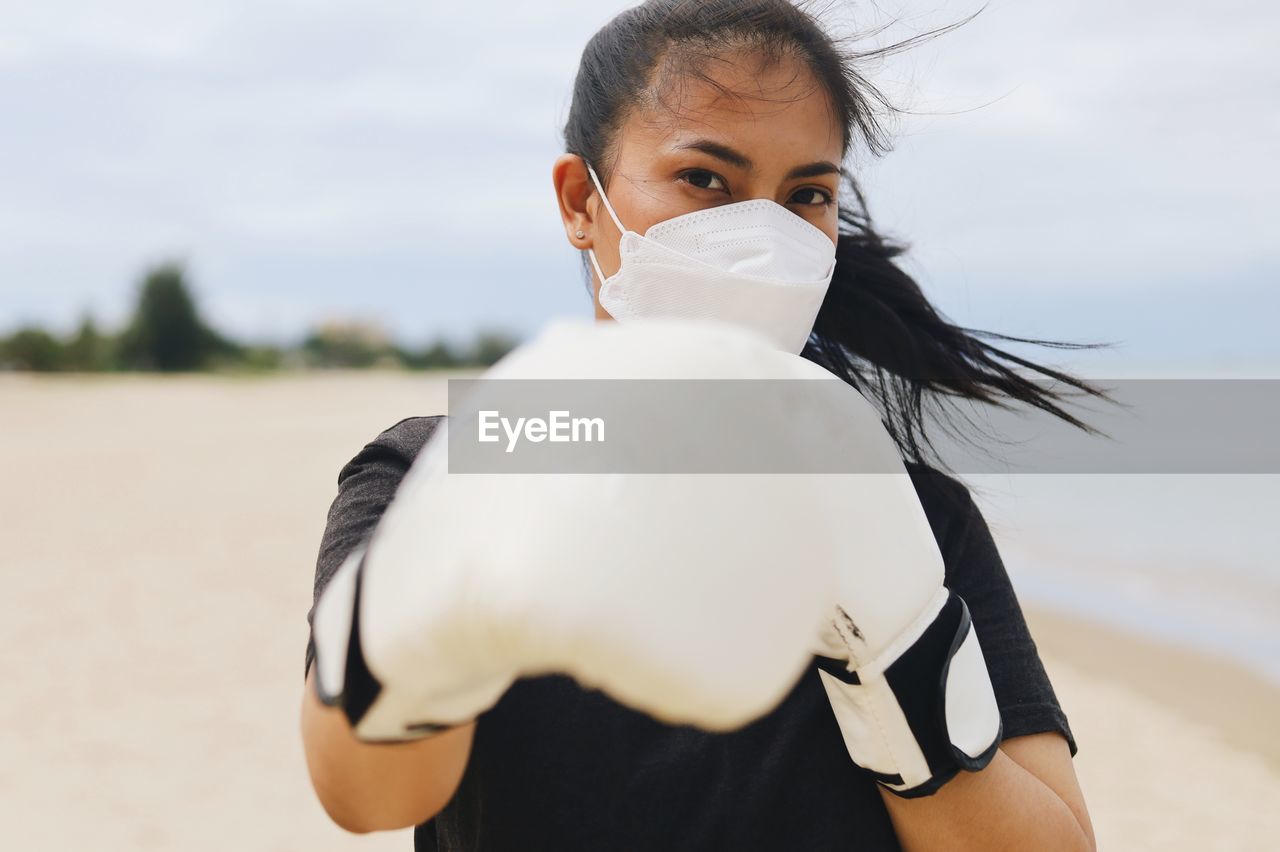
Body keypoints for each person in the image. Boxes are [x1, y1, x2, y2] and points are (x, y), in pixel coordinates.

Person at [300, 1, 1105, 848]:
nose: (762, 239)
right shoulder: (441, 467)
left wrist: (897, 660)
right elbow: (367, 796)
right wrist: (443, 588)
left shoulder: (912, 513)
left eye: (807, 195)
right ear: (582, 201)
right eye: (707, 180)